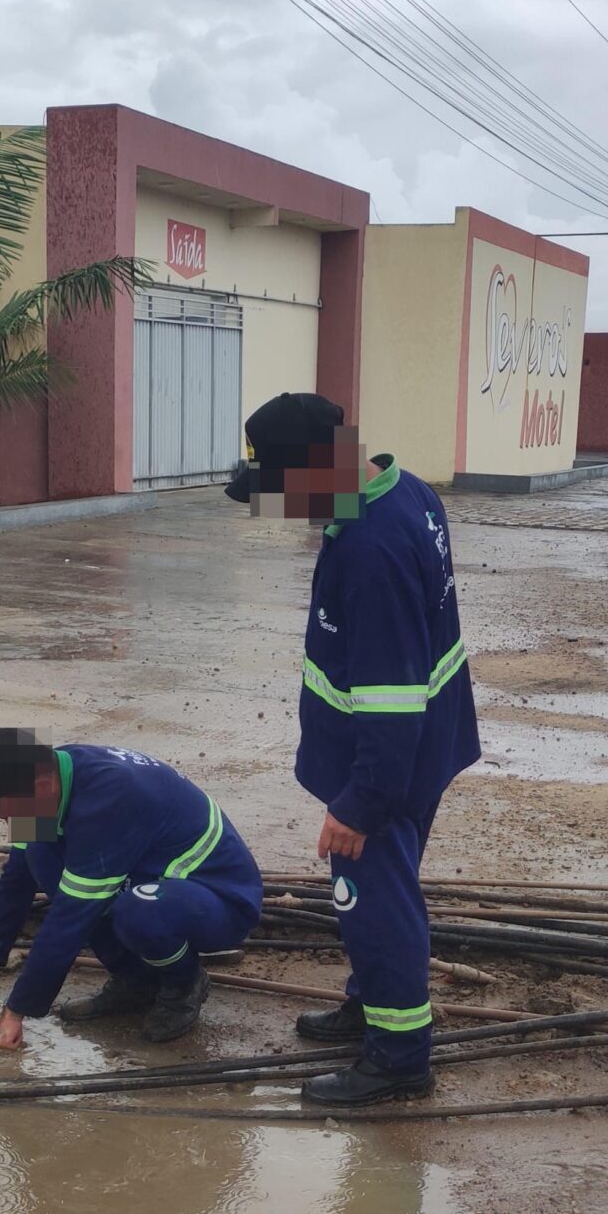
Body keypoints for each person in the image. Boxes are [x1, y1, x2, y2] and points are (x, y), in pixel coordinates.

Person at [237, 393, 481, 1107]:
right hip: (426, 743)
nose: (284, 510)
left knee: (377, 904)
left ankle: (398, 1056)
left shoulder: (371, 549)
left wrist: (361, 803)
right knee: (379, 897)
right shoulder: (405, 490)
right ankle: (369, 1005)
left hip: (384, 766)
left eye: (283, 492)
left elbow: (390, 691)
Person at [0, 730, 264, 1050]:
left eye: (9, 815)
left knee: (135, 912)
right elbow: (14, 887)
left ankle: (184, 982)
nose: (9, 825)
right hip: (149, 878)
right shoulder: (47, 779)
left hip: (218, 897)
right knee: (40, 856)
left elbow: (69, 920)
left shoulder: (109, 798)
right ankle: (136, 981)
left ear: (43, 786)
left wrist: (15, 1013)